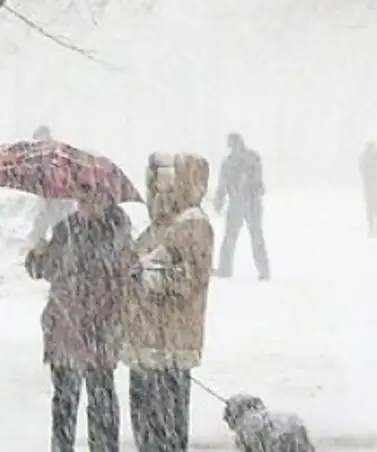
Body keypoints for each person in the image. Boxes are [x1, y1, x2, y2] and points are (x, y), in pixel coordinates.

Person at [24, 184, 138, 452]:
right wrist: (37, 254)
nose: (84, 202)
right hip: (64, 326)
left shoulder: (117, 232)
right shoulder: (65, 230)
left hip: (101, 328)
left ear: (106, 198)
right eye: (81, 196)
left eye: (91, 196)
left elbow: (126, 278)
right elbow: (43, 271)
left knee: (101, 398)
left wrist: (112, 317)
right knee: (64, 400)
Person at [123, 152, 214, 452]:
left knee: (166, 425)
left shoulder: (193, 225)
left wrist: (148, 278)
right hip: (147, 340)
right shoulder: (159, 227)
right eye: (156, 185)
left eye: (168, 184)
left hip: (170, 343)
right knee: (147, 422)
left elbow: (191, 278)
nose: (161, 193)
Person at [213, 132, 270, 280]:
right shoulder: (229, 162)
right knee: (231, 238)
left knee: (255, 237)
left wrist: (249, 186)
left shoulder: (250, 158)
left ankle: (263, 270)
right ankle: (225, 269)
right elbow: (222, 184)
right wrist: (219, 200)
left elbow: (257, 178)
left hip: (251, 202)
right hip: (238, 202)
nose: (233, 148)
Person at [27, 124, 76, 243]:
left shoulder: (54, 153)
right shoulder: (46, 154)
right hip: (55, 200)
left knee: (59, 227)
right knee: (46, 225)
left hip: (59, 200)